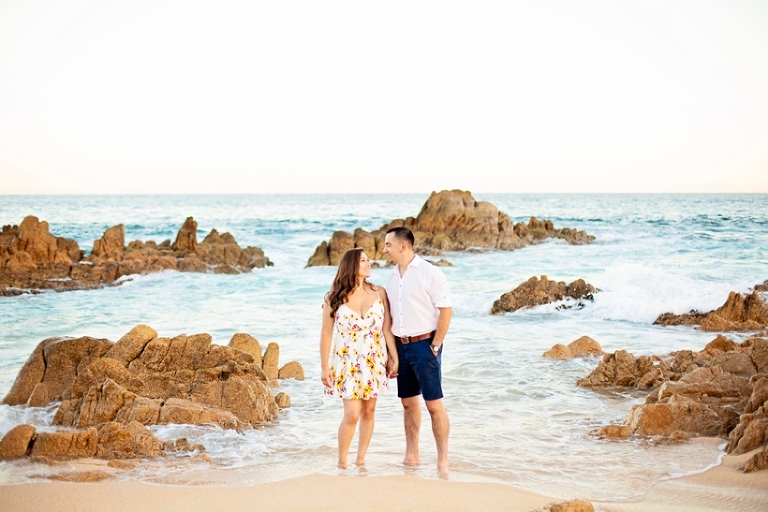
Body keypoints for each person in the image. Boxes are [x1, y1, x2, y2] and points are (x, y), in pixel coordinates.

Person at [320, 247, 399, 469]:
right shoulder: (333, 298)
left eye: (368, 260)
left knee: (369, 411)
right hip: (347, 361)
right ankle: (342, 462)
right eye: (364, 260)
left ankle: (361, 460)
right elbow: (326, 333)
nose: (369, 263)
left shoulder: (379, 292)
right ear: (352, 265)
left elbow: (387, 329)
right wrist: (324, 367)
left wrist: (394, 358)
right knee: (352, 414)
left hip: (374, 359)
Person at [383, 226, 452, 475]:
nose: (384, 249)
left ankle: (443, 459)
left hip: (426, 345)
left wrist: (435, 345)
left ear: (403, 245)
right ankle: (412, 455)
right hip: (401, 347)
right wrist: (391, 355)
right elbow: (389, 319)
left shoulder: (429, 273)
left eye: (388, 244)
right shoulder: (391, 278)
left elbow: (445, 310)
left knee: (434, 405)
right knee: (408, 404)